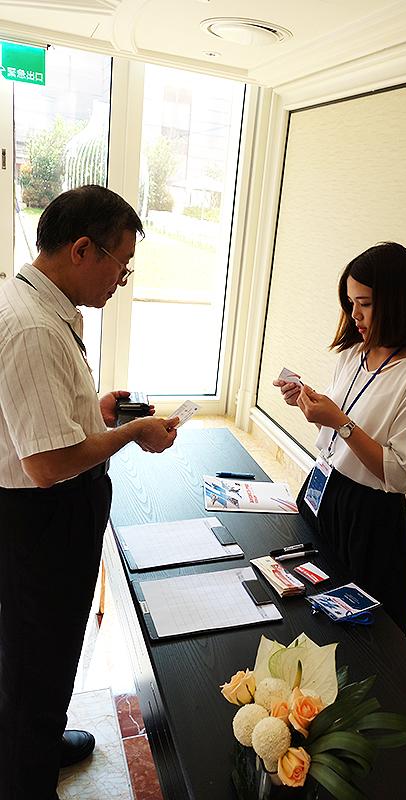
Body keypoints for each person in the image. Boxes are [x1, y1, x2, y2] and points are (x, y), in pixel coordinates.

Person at [0, 185, 179, 800]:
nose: (121, 281)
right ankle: (26, 775)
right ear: (81, 250)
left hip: (46, 514)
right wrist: (129, 432)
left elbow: (39, 415)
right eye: (120, 265)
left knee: (42, 651)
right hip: (43, 517)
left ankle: (40, 740)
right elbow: (47, 463)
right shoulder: (32, 328)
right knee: (38, 657)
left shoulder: (40, 303)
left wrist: (91, 410)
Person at [274, 242, 406, 633]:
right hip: (323, 487)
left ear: (397, 302)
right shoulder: (354, 353)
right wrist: (309, 405)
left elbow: (400, 474)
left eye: (365, 304)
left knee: (358, 631)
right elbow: (338, 435)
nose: (355, 315)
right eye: (351, 303)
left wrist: (340, 422)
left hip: (369, 516)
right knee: (303, 602)